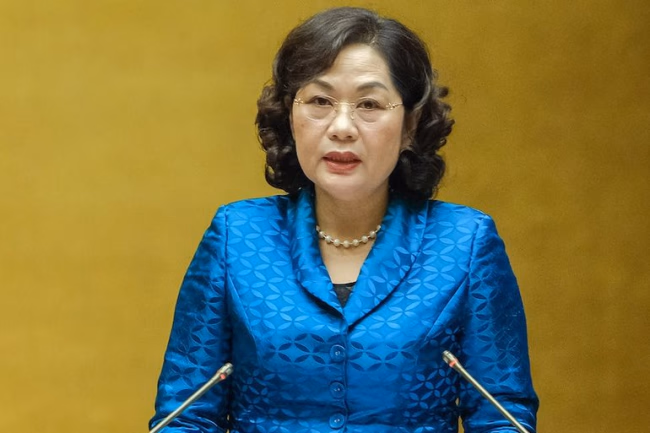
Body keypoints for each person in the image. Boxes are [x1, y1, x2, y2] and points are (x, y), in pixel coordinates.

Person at [150, 6, 538, 433]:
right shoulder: (237, 236)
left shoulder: (463, 243)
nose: (342, 127)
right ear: (290, 116)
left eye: (369, 104)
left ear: (411, 125)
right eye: (320, 101)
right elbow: (185, 417)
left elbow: (502, 419)